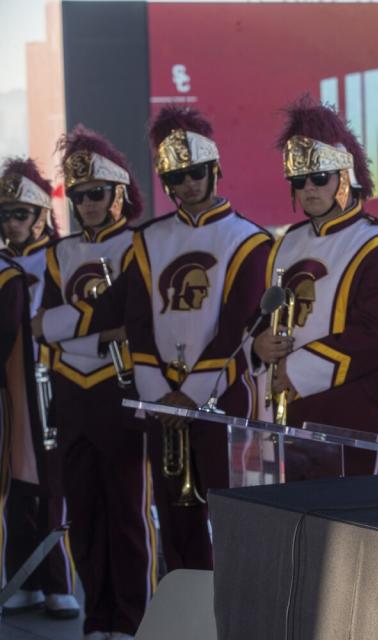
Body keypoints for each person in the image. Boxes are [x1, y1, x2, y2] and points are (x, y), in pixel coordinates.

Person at [35, 108, 271, 571]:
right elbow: (131, 317)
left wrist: (190, 394)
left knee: (231, 520)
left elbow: (239, 326)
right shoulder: (150, 239)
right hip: (162, 402)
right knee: (176, 530)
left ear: (214, 170)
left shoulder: (250, 240)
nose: (185, 184)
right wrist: (162, 396)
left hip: (222, 401)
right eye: (175, 176)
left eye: (194, 173)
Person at [253, 96, 378, 480]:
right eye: (299, 181)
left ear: (345, 176)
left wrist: (295, 370)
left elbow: (377, 337)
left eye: (319, 178)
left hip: (356, 414)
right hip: (290, 411)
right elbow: (261, 317)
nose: (309, 189)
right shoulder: (284, 243)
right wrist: (258, 345)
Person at [33, 130, 156, 638]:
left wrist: (69, 329)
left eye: (95, 194)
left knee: (126, 513)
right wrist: (93, 331)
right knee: (82, 513)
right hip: (71, 394)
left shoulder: (139, 246)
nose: (85, 203)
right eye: (77, 195)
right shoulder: (57, 253)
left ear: (118, 195)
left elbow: (132, 322)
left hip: (119, 389)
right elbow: (41, 325)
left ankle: (131, 620)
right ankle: (95, 617)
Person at [0, 158, 80, 620]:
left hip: (53, 379)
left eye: (19, 213)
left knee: (52, 482)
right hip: (13, 383)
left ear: (40, 215)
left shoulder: (64, 256)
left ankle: (57, 580)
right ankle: (23, 578)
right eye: (4, 213)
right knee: (16, 479)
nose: (11, 222)